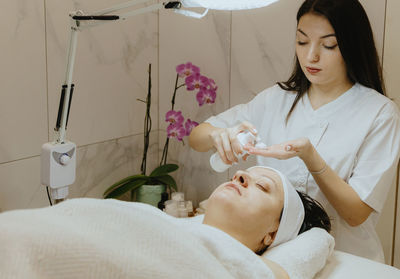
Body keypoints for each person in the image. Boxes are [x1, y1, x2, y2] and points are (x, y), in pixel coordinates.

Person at [189, 0, 400, 263]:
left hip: (347, 260)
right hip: (278, 257)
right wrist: (218, 136)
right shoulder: (276, 99)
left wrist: (310, 157)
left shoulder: (379, 113)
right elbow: (196, 137)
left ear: (352, 45)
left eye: (328, 45)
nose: (311, 56)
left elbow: (356, 213)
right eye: (302, 41)